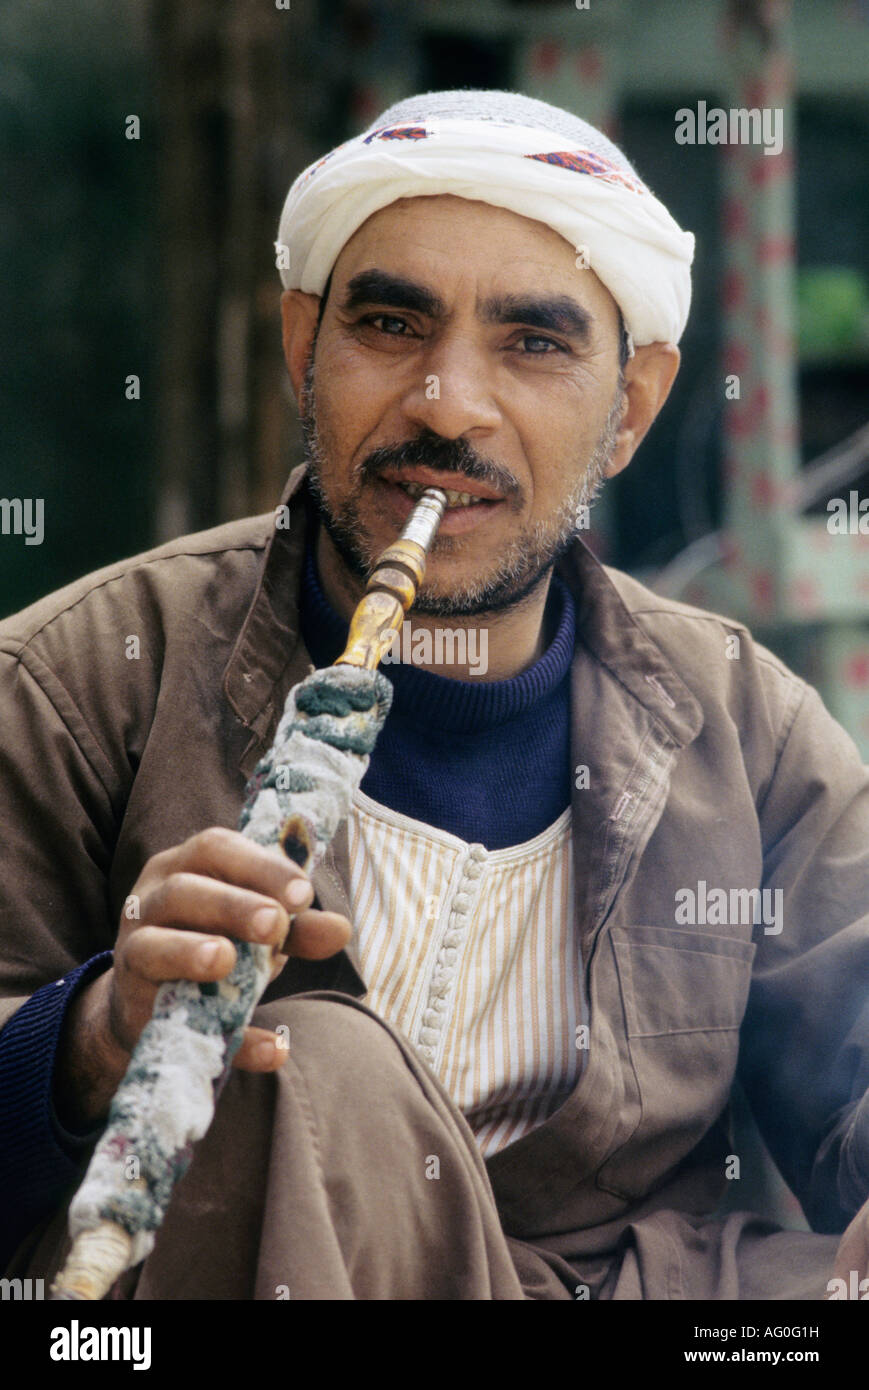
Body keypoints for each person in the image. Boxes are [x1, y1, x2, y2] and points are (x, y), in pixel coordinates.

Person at [2, 89, 868, 1301]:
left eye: (532, 343)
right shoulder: (74, 683)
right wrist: (95, 1032)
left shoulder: (746, 728)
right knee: (306, 1060)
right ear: (305, 349)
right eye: (392, 325)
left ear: (627, 409)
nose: (446, 405)